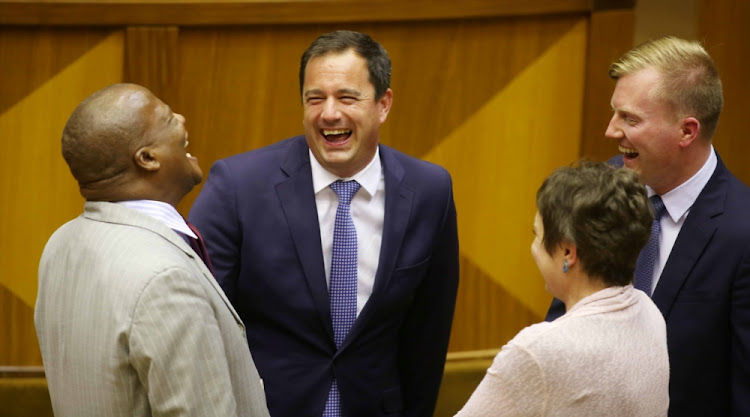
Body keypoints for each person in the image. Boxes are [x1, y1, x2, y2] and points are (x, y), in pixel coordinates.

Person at [188, 30, 459, 417]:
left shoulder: (429, 191)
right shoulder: (238, 186)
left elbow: (427, 336)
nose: (329, 113)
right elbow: (199, 321)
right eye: (315, 98)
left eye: (346, 97)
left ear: (383, 104)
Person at [34, 83, 270, 417]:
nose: (182, 119)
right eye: (167, 118)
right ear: (147, 158)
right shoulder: (165, 278)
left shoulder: (61, 244)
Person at [545, 36, 750, 416]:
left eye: (630, 119)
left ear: (687, 132)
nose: (611, 131)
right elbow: (565, 317)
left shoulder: (742, 232)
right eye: (614, 113)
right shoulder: (602, 188)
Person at [455, 161, 669, 416]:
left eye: (537, 235)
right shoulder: (649, 311)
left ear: (567, 252)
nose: (534, 248)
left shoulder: (538, 352)